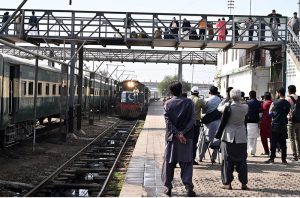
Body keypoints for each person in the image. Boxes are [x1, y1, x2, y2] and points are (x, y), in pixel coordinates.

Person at [162, 81, 196, 197]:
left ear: (171, 91)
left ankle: (168, 187)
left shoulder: (167, 103)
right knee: (187, 164)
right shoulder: (189, 103)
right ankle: (188, 188)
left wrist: (177, 133)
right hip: (187, 138)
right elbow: (192, 120)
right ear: (181, 90)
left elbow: (168, 121)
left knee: (169, 163)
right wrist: (183, 133)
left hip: (172, 138)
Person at [217, 88, 249, 190]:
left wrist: (226, 99)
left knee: (227, 161)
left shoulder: (227, 106)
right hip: (241, 137)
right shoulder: (245, 107)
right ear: (240, 96)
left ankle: (227, 183)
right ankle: (243, 183)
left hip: (228, 136)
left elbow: (218, 108)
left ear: (231, 96)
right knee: (242, 161)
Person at [265, 87, 291, 164]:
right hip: (283, 125)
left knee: (273, 142)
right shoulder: (287, 103)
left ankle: (272, 158)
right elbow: (287, 113)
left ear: (279, 93)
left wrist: (274, 114)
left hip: (275, 125)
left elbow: (270, 114)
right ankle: (284, 159)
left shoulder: (274, 103)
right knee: (283, 143)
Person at [198, 86, 222, 163]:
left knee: (205, 140)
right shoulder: (220, 100)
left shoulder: (207, 100)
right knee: (216, 140)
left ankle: (201, 156)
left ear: (209, 92)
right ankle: (213, 158)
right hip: (218, 121)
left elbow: (204, 112)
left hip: (209, 123)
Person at [189, 86, 204, 165]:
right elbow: (205, 109)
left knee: (187, 140)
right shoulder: (199, 100)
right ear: (198, 93)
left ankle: (184, 158)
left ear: (191, 92)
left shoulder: (188, 99)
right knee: (194, 141)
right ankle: (192, 159)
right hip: (196, 122)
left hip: (187, 123)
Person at [286, 85, 300, 161]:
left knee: (292, 139)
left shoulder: (287, 98)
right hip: (299, 120)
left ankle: (295, 156)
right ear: (295, 90)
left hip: (291, 120)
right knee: (298, 138)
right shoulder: (299, 98)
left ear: (289, 91)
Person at [245, 91, 261, 156]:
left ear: (250, 95)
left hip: (248, 122)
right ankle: (253, 152)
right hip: (255, 123)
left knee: (248, 138)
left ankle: (248, 150)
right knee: (254, 138)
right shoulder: (259, 103)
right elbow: (260, 113)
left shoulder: (247, 102)